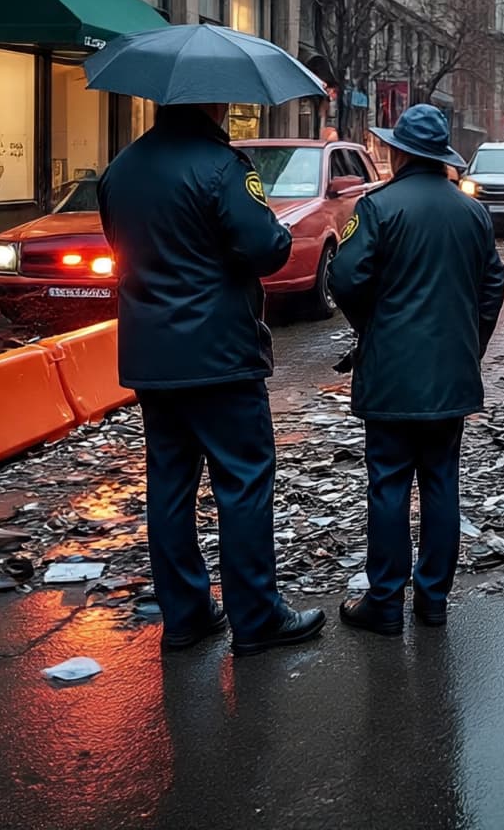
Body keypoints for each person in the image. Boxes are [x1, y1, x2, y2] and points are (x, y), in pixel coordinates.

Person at [98, 103, 326, 657]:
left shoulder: (120, 169)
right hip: (221, 353)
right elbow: (267, 249)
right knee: (243, 482)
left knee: (169, 486)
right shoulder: (225, 167)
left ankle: (186, 615)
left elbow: (119, 246)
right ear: (214, 103)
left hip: (152, 354)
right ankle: (256, 617)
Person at [329, 105, 504, 635]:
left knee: (387, 485)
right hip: (450, 376)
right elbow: (493, 286)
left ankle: (384, 602)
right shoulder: (471, 212)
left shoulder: (378, 207)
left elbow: (345, 277)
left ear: (401, 151)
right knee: (441, 482)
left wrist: (372, 326)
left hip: (390, 375)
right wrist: (468, 346)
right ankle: (433, 600)